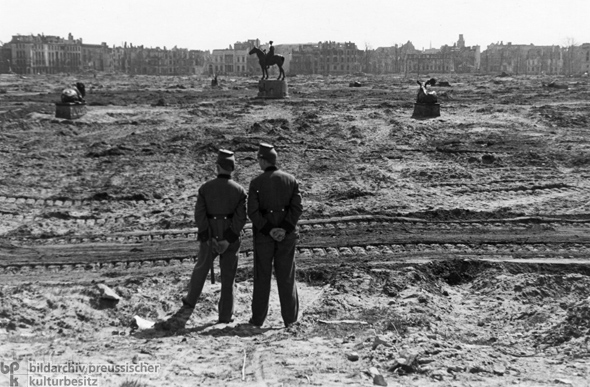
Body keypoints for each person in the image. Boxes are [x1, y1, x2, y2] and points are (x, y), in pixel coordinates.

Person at [157, 149, 247, 330]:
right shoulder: (239, 191)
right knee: (229, 276)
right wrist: (227, 239)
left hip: (210, 236)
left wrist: (208, 237)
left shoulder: (205, 188)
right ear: (233, 169)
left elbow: (199, 215)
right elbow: (240, 218)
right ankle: (225, 315)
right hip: (230, 238)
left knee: (200, 270)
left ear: (217, 167)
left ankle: (189, 304)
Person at [247, 143, 303, 328]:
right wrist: (284, 229)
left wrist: (269, 229)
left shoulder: (256, 183)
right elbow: (297, 208)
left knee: (262, 277)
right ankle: (290, 320)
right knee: (286, 276)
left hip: (264, 237)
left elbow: (253, 212)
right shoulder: (291, 180)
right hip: (286, 236)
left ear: (263, 160)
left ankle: (258, 320)